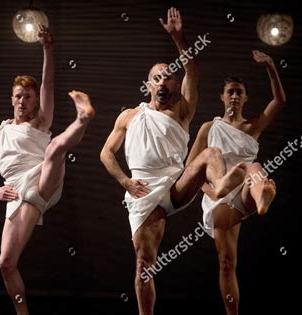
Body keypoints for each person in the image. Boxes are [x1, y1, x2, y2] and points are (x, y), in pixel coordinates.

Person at [100, 8, 246, 314]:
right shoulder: (129, 115)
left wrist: (178, 38)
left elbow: (193, 70)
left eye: (169, 76)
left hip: (176, 183)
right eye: (158, 77)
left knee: (212, 154)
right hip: (143, 190)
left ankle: (218, 189)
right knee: (144, 263)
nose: (164, 81)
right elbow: (105, 153)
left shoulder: (182, 110)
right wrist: (124, 181)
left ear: (175, 85)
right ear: (149, 84)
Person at [0, 24, 95, 315]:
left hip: (42, 178)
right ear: (12, 98)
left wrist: (47, 48)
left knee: (54, 148)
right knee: (5, 263)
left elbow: (48, 85)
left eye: (28, 97)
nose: (23, 101)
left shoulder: (40, 122)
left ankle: (83, 118)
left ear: (34, 102)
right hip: (17, 191)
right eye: (19, 96)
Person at [185, 50, 284, 314]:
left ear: (245, 97)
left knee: (252, 166)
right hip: (219, 196)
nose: (235, 96)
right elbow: (191, 168)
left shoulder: (253, 127)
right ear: (222, 96)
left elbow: (279, 101)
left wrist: (271, 67)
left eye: (240, 92)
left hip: (246, 189)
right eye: (231, 91)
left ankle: (262, 198)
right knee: (227, 263)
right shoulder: (209, 128)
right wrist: (210, 191)